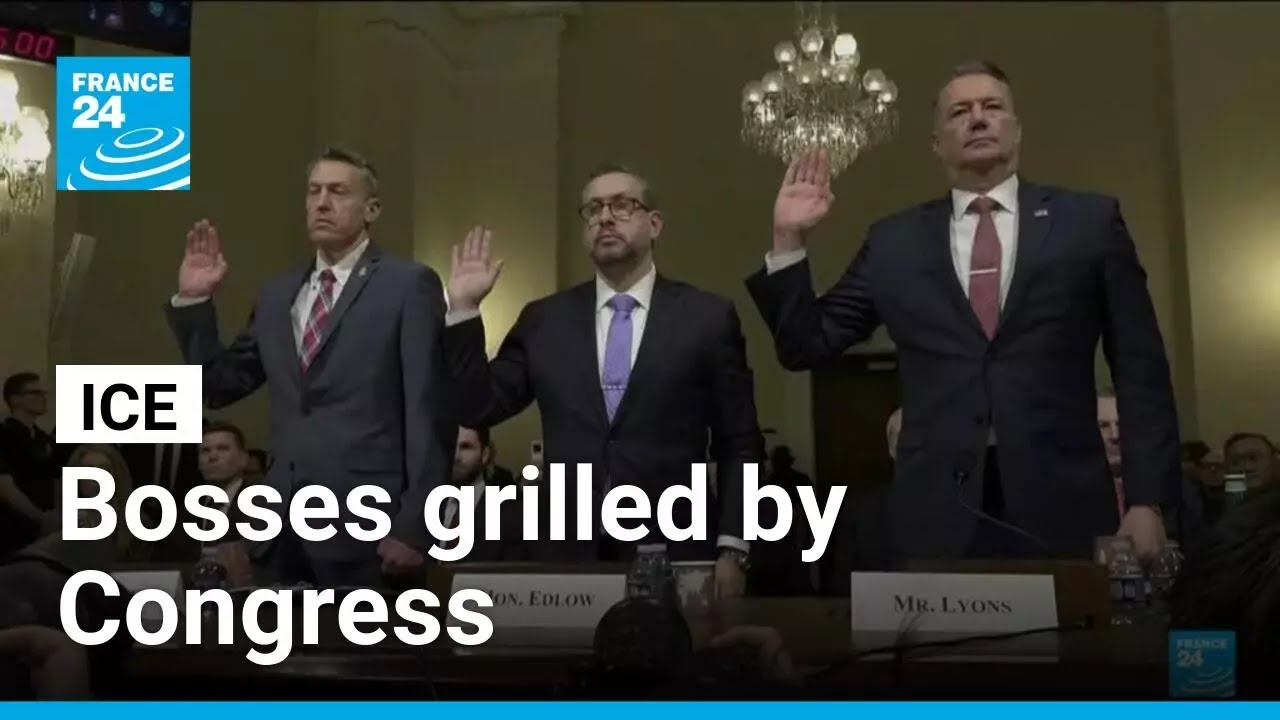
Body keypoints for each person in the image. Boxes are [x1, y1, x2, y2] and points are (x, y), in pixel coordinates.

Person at [745, 60, 1180, 563]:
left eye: (992, 107)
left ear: (1016, 130)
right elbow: (806, 344)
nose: (977, 118)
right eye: (959, 112)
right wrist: (788, 239)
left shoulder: (1089, 223)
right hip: (937, 509)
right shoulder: (894, 242)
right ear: (937, 143)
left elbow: (1141, 369)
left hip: (1064, 502)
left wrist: (1147, 500)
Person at [444, 163, 765, 599]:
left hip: (674, 544)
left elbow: (739, 442)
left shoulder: (706, 318)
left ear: (655, 224)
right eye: (593, 209)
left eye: (622, 206)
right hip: (567, 552)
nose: (605, 218)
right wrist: (464, 311)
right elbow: (479, 406)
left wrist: (734, 547)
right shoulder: (545, 320)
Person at [163, 145, 452, 587]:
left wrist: (417, 525)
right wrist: (194, 301)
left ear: (371, 209)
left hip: (370, 529)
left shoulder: (408, 285)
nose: (321, 203)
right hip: (280, 531)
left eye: (338, 192)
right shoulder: (278, 294)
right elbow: (220, 385)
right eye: (314, 191)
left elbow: (428, 411)